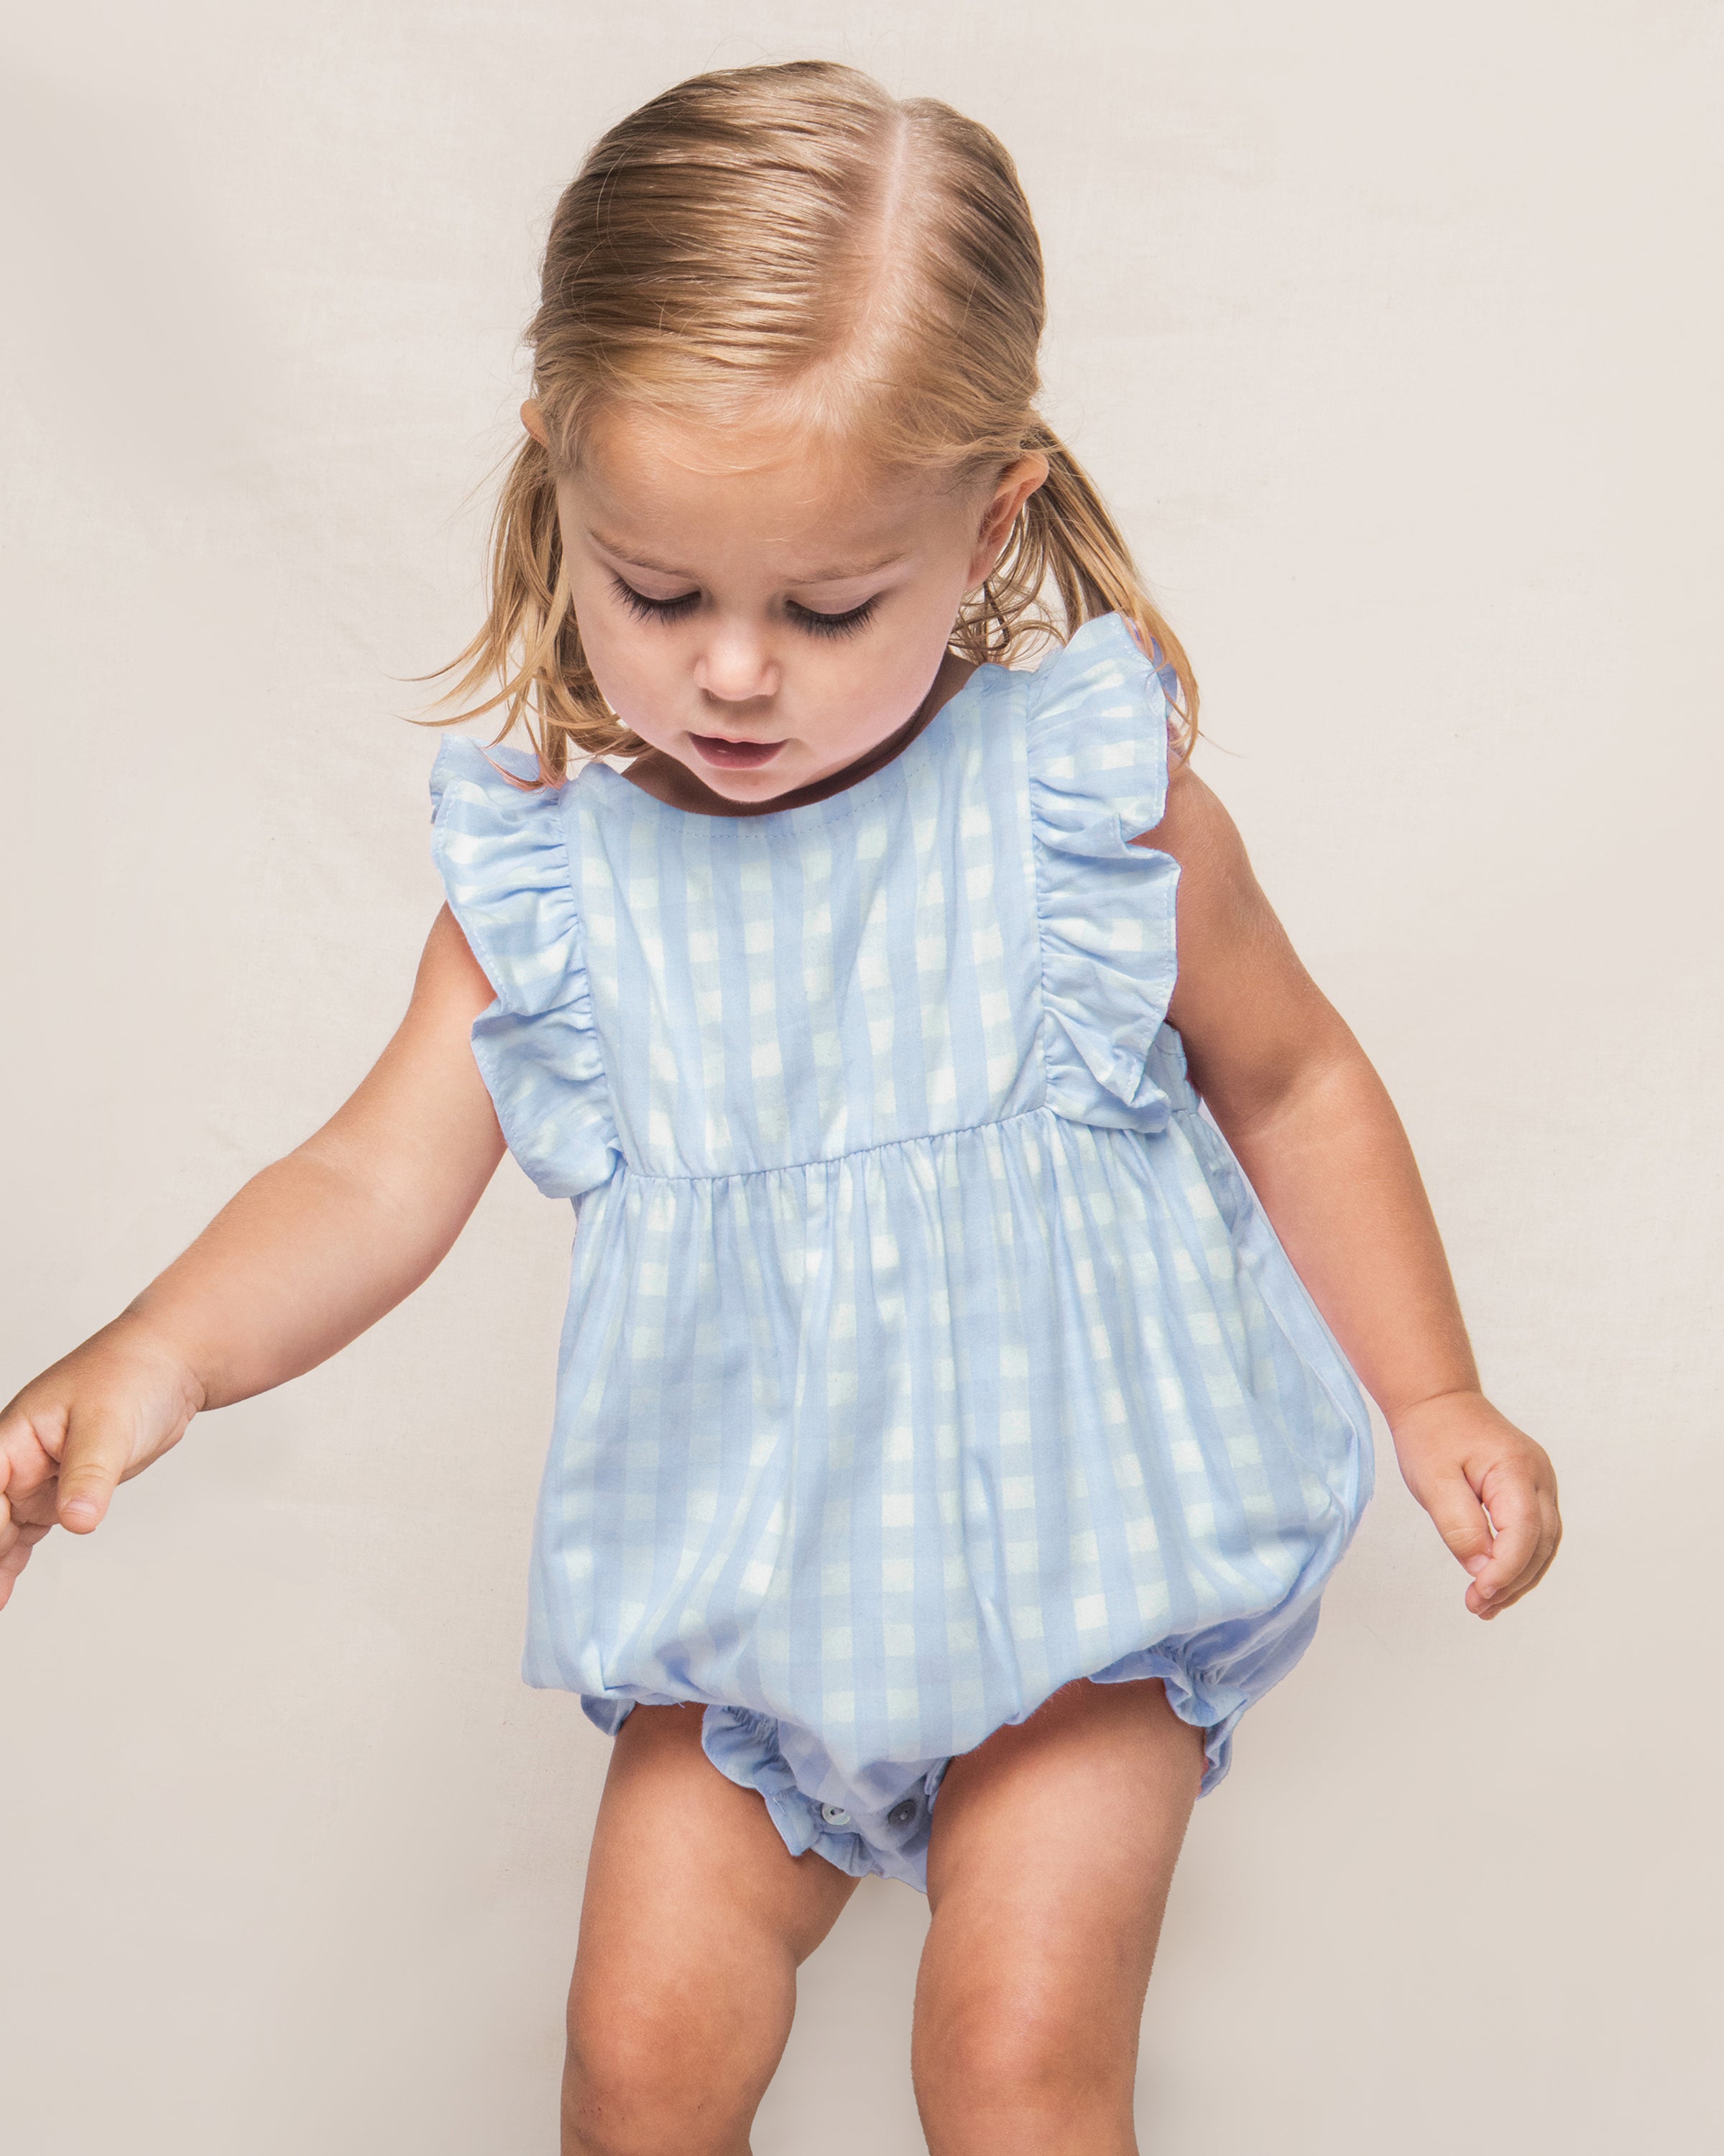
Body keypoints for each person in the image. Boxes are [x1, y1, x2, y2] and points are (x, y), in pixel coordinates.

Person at [0, 59, 1561, 2156]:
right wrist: (155, 1356)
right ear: (557, 482)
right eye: (660, 593)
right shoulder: (560, 889)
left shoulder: (1085, 819)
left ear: (988, 519)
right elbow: (374, 1173)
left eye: (827, 608)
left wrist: (1434, 1393)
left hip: (1087, 1561)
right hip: (747, 1606)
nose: (735, 673)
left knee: (1011, 2073)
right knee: (638, 2073)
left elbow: (1295, 1080)